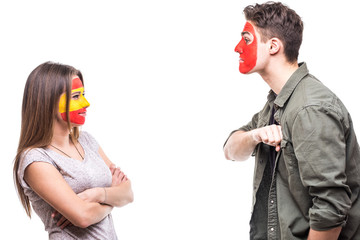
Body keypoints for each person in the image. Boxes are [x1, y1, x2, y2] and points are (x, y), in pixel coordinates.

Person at [223, 2, 360, 240]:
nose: (237, 48)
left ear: (274, 46)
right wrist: (255, 135)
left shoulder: (309, 109)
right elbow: (230, 151)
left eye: (246, 39)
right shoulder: (279, 101)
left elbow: (331, 208)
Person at [13, 62, 134, 239]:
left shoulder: (87, 141)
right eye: (76, 96)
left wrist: (98, 194)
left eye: (83, 95)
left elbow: (128, 193)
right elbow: (83, 217)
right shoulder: (35, 158)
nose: (86, 103)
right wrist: (112, 199)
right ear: (48, 101)